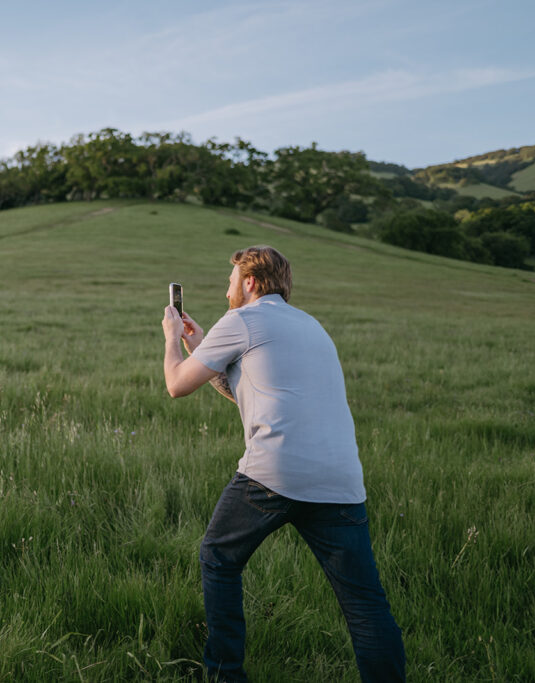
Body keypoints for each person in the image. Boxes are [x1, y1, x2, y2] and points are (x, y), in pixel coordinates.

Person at [161, 245, 404, 682]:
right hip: (341, 479)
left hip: (273, 472)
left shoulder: (242, 319)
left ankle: (224, 674)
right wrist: (198, 345)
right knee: (365, 604)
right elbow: (249, 391)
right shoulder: (312, 326)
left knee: (218, 557)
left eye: (231, 279)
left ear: (250, 282)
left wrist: (170, 339)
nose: (227, 287)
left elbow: (177, 385)